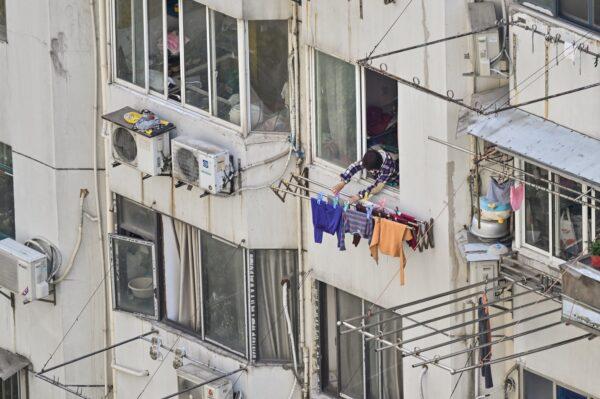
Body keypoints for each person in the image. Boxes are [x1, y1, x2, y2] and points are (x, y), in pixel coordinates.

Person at [332, 148, 399, 203]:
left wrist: (359, 196)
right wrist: (342, 182)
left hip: (395, 180)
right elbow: (355, 166)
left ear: (376, 168)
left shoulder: (388, 167)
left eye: (370, 170)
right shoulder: (372, 157)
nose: (369, 171)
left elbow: (377, 188)